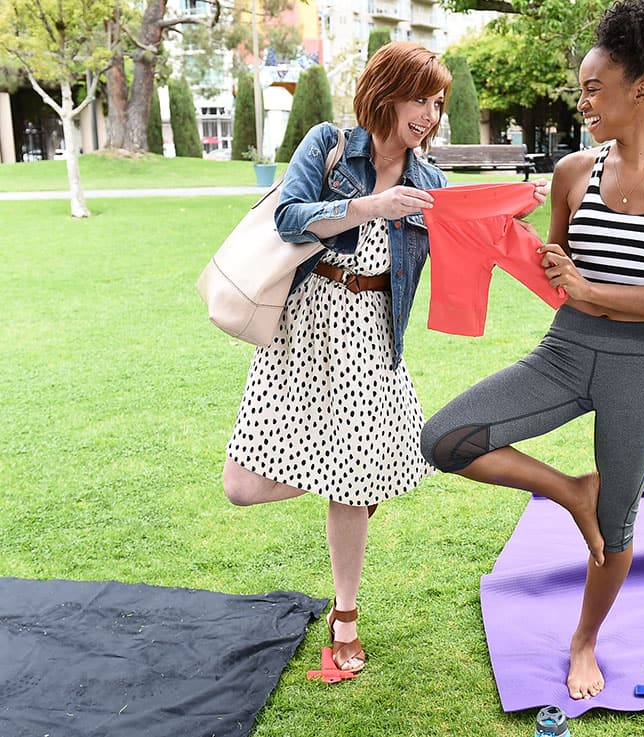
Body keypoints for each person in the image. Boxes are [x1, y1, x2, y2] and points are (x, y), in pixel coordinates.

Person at [421, 0, 644, 700]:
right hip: (563, 355)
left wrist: (594, 291)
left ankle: (585, 638)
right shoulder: (572, 173)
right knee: (443, 439)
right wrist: (503, 226)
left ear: (641, 90)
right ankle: (571, 491)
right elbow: (556, 271)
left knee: (618, 523)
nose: (582, 100)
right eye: (581, 88)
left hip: (640, 368)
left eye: (594, 87)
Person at [221, 42, 453, 675]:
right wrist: (367, 207)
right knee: (241, 487)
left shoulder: (429, 180)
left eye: (438, 104)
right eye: (420, 99)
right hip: (303, 328)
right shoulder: (328, 144)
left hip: (372, 336)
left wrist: (513, 215)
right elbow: (289, 216)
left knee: (350, 483)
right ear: (386, 93)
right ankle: (351, 482)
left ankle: (344, 614)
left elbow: (467, 243)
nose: (430, 116)